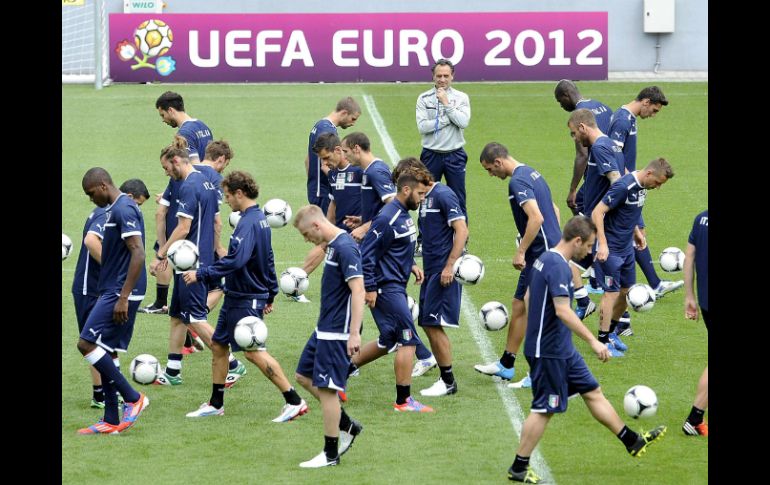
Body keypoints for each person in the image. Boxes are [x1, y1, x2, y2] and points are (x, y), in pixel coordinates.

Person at [507, 216, 666, 483]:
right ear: (577, 240)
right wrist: (594, 341)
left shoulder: (544, 258)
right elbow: (563, 311)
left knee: (592, 391)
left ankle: (632, 441)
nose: (590, 251)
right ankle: (519, 467)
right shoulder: (557, 267)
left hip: (561, 347)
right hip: (549, 350)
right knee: (545, 408)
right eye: (589, 245)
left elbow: (528, 298)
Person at [182, 171, 308, 423]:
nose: (227, 200)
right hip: (238, 296)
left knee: (253, 352)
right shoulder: (259, 219)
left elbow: (236, 260)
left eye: (228, 196)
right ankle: (216, 403)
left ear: (240, 193)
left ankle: (294, 400)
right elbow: (268, 258)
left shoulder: (249, 223)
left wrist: (202, 274)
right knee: (218, 346)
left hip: (246, 298)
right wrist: (271, 292)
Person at [152, 138, 246, 387]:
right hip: (200, 259)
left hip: (189, 265)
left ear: (175, 161)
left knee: (194, 318)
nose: (167, 173)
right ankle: (173, 372)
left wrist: (161, 254)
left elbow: (183, 228)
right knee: (177, 317)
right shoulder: (208, 182)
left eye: (166, 168)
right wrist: (216, 249)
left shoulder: (188, 186)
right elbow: (216, 222)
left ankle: (234, 364)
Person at [473, 143, 561, 388]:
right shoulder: (532, 173)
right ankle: (506, 365)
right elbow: (553, 209)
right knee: (519, 305)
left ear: (499, 162)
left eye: (490, 169)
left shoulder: (517, 182)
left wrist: (521, 250)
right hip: (543, 248)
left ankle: (538, 373)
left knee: (537, 312)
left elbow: (537, 217)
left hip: (540, 254)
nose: (491, 175)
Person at [349, 172, 434, 412]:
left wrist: (411, 265)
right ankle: (404, 401)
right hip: (386, 288)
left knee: (388, 339)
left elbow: (394, 248)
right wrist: (372, 288)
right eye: (420, 194)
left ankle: (341, 372)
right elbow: (366, 253)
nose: (422, 199)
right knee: (407, 340)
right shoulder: (388, 217)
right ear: (406, 190)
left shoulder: (403, 214)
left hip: (395, 284)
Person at [76, 168, 149, 434]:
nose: (91, 198)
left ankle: (133, 398)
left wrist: (123, 296)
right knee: (104, 349)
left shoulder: (123, 209)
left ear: (103, 185)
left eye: (91, 193)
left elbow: (138, 253)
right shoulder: (116, 209)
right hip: (114, 288)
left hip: (120, 291)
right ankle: (111, 419)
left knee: (86, 343)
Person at [292, 205, 365, 467]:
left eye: (305, 234)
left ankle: (331, 453)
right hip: (324, 328)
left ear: (316, 226)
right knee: (303, 375)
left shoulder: (345, 248)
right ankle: (347, 425)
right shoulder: (333, 245)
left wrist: (354, 333)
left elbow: (358, 291)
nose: (306, 240)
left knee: (328, 389)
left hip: (337, 331)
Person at [608, 87, 681, 330]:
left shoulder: (628, 118)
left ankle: (625, 312)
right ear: (646, 101)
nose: (653, 114)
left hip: (631, 187)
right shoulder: (621, 119)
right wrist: (631, 182)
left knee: (635, 236)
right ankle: (583, 299)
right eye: (654, 110)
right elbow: (615, 160)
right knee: (615, 249)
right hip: (625, 190)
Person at [394, 159, 468, 397]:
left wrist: (450, 266)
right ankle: (443, 376)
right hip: (432, 270)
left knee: (432, 324)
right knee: (427, 322)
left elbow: (462, 230)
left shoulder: (444, 194)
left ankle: (448, 382)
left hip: (442, 271)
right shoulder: (425, 198)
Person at [591, 158, 675, 357]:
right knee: (611, 293)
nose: (658, 187)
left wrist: (636, 232)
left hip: (627, 248)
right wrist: (602, 244)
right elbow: (597, 212)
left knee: (626, 292)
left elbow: (629, 212)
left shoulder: (643, 187)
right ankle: (602, 341)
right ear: (649, 174)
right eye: (658, 183)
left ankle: (611, 333)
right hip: (611, 249)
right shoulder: (624, 186)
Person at [553, 79, 611, 307]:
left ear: (567, 95)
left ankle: (588, 285)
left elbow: (582, 156)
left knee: (585, 224)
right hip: (614, 169)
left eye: (560, 102)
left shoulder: (579, 116)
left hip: (597, 178)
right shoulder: (603, 106)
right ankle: (595, 278)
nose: (561, 106)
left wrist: (573, 189)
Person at [416, 58, 471, 227]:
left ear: (452, 76)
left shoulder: (461, 97)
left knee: (458, 198)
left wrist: (446, 104)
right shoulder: (424, 98)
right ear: (433, 76)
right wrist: (447, 119)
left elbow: (463, 122)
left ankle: (462, 240)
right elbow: (423, 127)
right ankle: (422, 240)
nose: (442, 79)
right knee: (424, 197)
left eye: (446, 76)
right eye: (438, 75)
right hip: (430, 154)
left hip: (455, 154)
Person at [306, 97, 361, 214]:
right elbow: (325, 165)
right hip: (324, 192)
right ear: (344, 113)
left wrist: (313, 182)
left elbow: (308, 160)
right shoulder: (327, 131)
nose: (353, 123)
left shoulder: (320, 125)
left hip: (317, 190)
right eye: (353, 118)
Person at [339, 132, 397, 243]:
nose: (344, 157)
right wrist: (363, 219)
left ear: (356, 148)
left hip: (383, 238)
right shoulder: (369, 171)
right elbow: (378, 205)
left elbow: (394, 206)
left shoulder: (376, 171)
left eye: (345, 151)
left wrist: (365, 227)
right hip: (377, 235)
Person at [682, 209, 708, 436]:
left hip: (706, 301)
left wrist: (690, 296)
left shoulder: (701, 218)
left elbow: (689, 256)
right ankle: (694, 419)